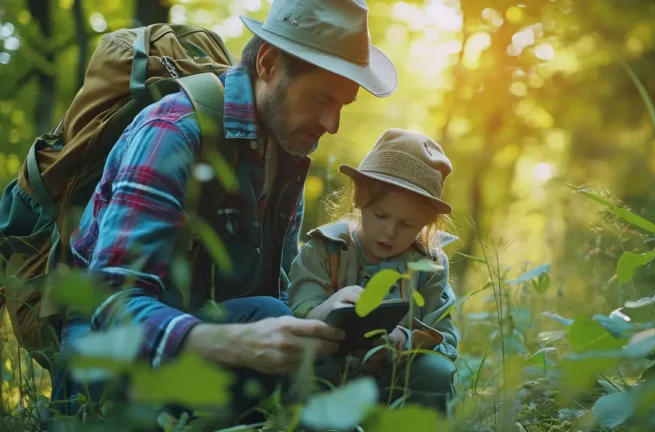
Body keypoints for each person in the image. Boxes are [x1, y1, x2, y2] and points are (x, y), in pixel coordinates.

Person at [50, 0, 399, 425]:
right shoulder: (173, 132)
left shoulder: (287, 152)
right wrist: (237, 343)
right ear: (269, 63)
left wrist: (323, 317)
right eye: (323, 98)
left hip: (203, 357)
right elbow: (112, 306)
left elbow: (270, 297)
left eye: (344, 105)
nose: (332, 123)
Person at [287, 128, 459, 415]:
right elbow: (295, 316)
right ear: (359, 199)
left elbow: (446, 340)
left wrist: (408, 340)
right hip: (333, 376)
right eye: (380, 215)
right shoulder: (324, 250)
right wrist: (329, 309)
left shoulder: (429, 266)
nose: (390, 232)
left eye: (407, 225)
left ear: (425, 225)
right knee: (316, 361)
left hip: (395, 384)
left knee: (437, 371)